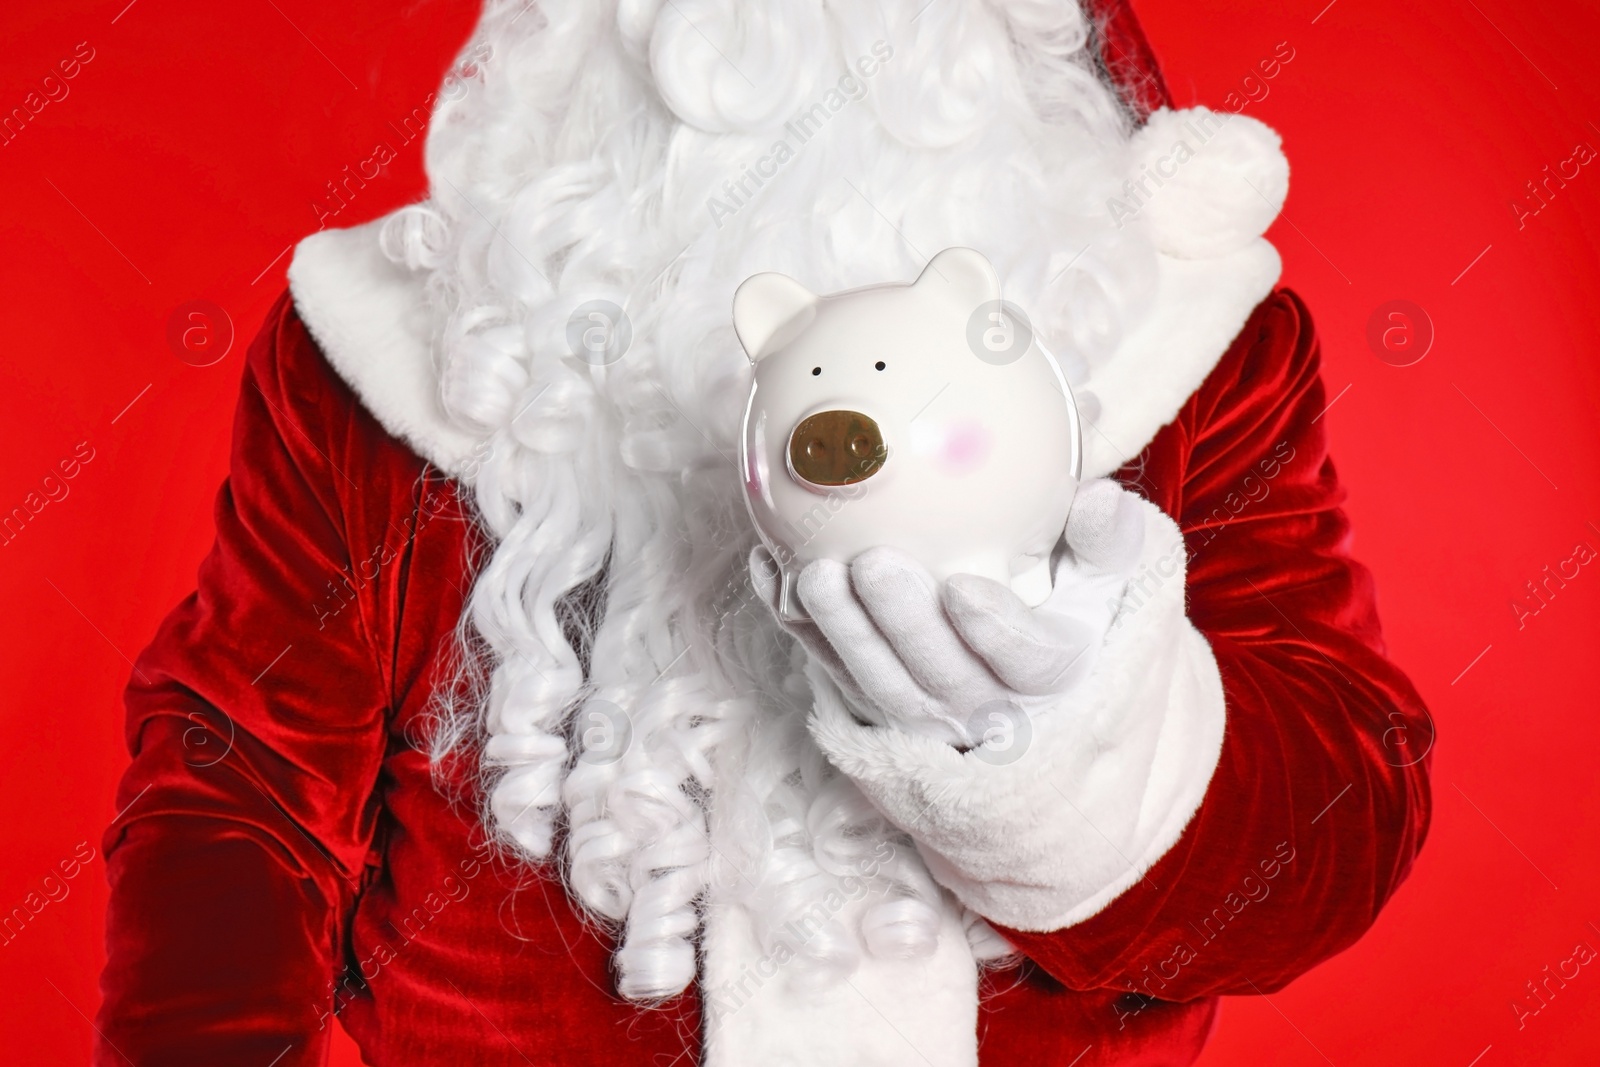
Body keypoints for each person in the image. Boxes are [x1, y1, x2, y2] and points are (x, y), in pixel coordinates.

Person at [95, 1, 1432, 1063]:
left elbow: (1339, 817)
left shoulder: (1180, 332)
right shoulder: (398, 349)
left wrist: (1070, 749)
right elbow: (240, 796)